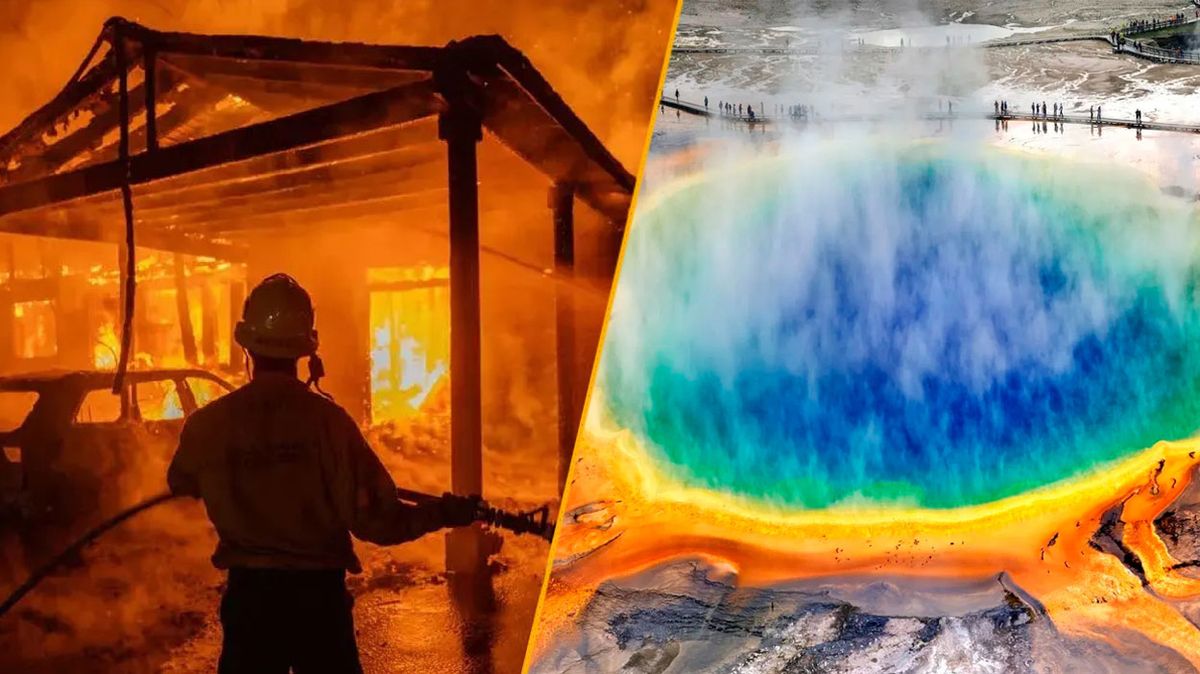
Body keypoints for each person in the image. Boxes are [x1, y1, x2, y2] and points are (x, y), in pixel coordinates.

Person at [168, 273, 480, 674]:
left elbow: (179, 482)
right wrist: (443, 513)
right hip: (317, 604)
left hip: (250, 603)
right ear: (306, 348)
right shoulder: (328, 423)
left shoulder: (207, 425)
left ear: (245, 343)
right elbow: (378, 521)